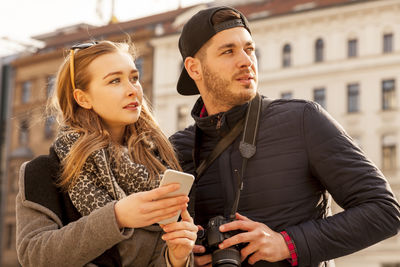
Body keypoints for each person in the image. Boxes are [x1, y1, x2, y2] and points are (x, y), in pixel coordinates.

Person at [170, 6, 400, 267]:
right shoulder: (176, 149)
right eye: (228, 51)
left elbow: (384, 211)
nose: (246, 60)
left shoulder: (303, 119)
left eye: (250, 49)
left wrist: (287, 244)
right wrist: (186, 259)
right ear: (194, 68)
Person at [16, 40, 197, 267]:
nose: (133, 90)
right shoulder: (44, 171)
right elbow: (35, 256)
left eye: (134, 78)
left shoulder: (160, 165)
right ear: (83, 98)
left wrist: (176, 258)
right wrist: (117, 217)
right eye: (115, 81)